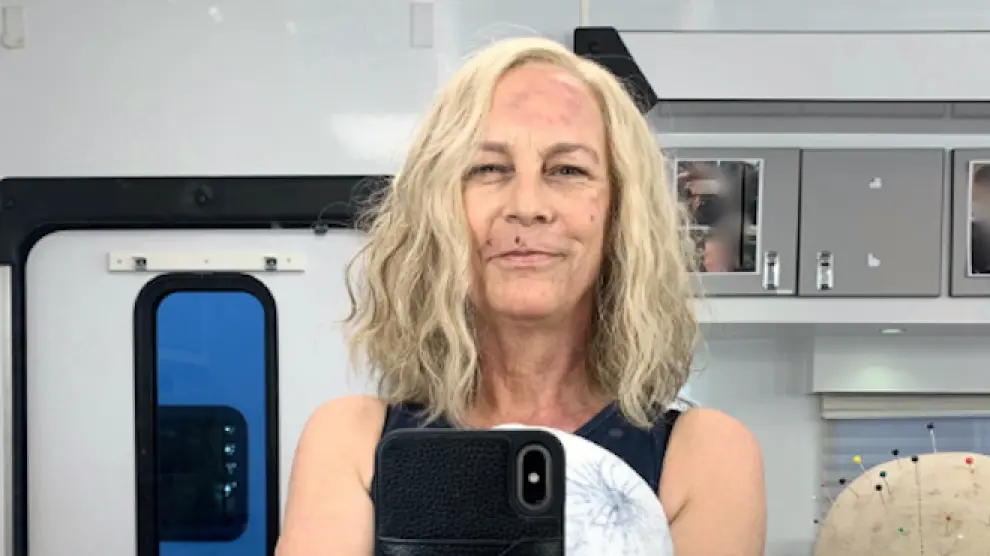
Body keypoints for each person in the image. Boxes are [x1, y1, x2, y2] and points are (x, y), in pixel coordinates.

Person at [276, 37, 766, 556]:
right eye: (488, 169)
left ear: (621, 212)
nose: (527, 206)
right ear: (438, 208)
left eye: (567, 170)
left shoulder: (705, 457)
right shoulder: (353, 444)